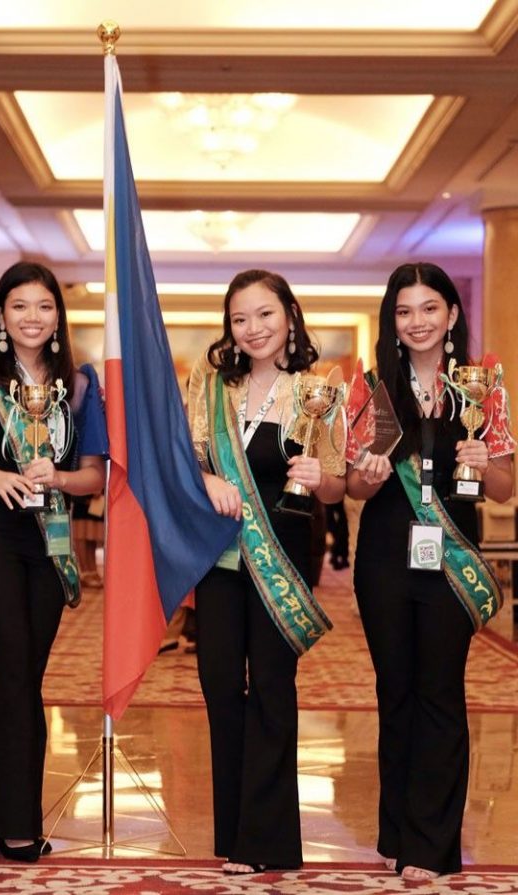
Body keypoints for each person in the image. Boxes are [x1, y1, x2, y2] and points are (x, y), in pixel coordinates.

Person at [345, 262, 514, 881]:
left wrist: (482, 459)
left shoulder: (480, 388)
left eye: (429, 309)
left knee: (440, 693)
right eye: (404, 311)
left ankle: (433, 843)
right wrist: (368, 474)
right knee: (396, 693)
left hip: (453, 559)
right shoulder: (371, 389)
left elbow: (501, 489)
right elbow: (356, 491)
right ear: (393, 320)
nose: (417, 322)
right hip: (386, 558)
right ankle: (396, 829)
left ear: (451, 314)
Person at [187, 269, 346, 875]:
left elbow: (334, 484)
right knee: (221, 685)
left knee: (273, 692)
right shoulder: (209, 387)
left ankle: (269, 841)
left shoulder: (315, 390)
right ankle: (234, 835)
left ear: (289, 319)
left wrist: (319, 480)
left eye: (265, 315)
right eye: (239, 318)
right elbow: (184, 462)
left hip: (282, 556)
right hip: (220, 560)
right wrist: (206, 479)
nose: (252, 329)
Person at [0, 261, 107, 862]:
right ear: (1, 315)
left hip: (52, 535)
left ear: (58, 318)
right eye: (20, 306)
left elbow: (93, 474)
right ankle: (15, 824)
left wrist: (58, 475)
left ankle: (10, 813)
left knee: (24, 674)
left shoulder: (82, 386)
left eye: (44, 307)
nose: (32, 318)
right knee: (10, 660)